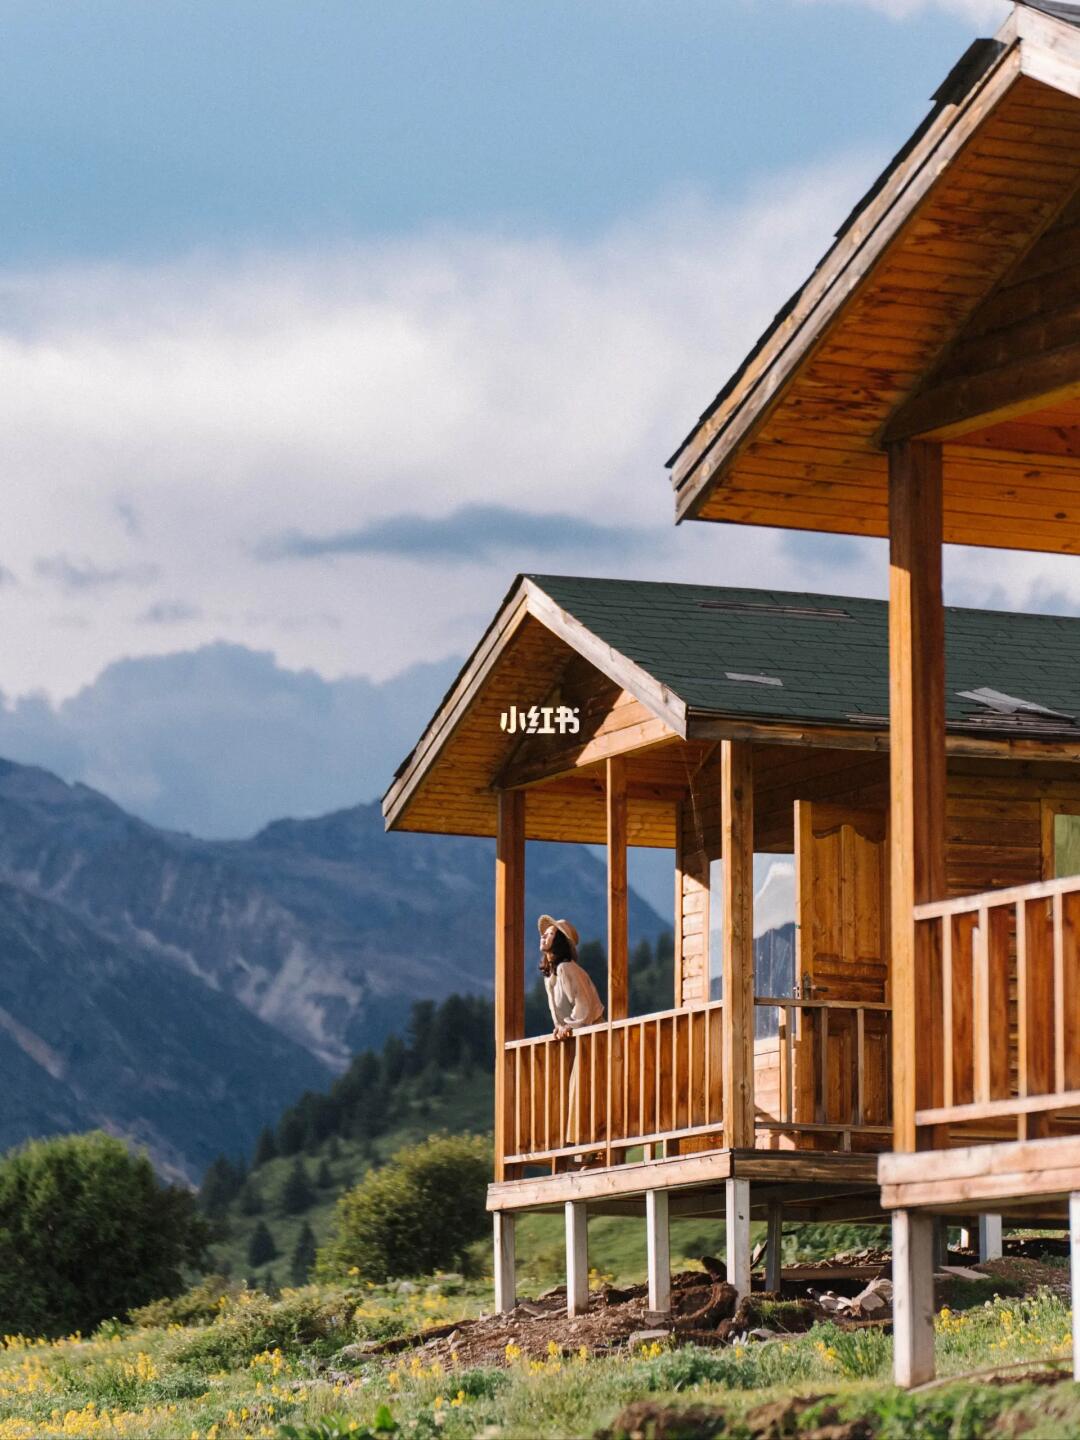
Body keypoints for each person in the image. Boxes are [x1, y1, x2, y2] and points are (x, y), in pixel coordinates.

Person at [537, 915, 604, 1160]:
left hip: (593, 1036)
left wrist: (570, 1025)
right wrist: (560, 1027)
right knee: (578, 1091)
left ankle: (588, 1150)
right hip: (580, 1038)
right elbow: (558, 1013)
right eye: (544, 934)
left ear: (560, 942)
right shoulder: (551, 977)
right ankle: (584, 1151)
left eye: (550, 934)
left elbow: (583, 1005)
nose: (543, 937)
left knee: (585, 1091)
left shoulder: (567, 969)